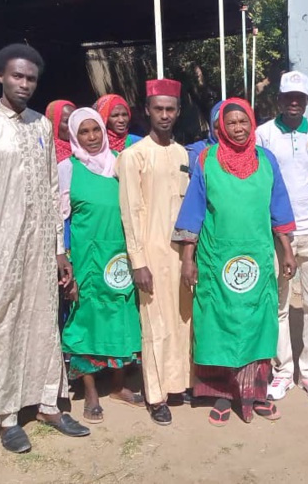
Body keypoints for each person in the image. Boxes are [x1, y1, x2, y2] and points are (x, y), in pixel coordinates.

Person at [0, 44, 89, 453]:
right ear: (0, 77)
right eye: (17, 76)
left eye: (31, 78)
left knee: (44, 322)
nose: (25, 84)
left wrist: (59, 250)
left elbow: (51, 190)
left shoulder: (42, 126)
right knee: (2, 325)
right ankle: (6, 415)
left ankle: (49, 403)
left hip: (39, 248)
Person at [175, 98, 297, 426]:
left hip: (256, 255)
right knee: (218, 322)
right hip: (217, 256)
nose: (239, 128)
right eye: (232, 123)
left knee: (259, 321)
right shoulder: (206, 159)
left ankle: (257, 393)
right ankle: (222, 394)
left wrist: (286, 249)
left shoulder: (266, 159)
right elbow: (194, 211)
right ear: (220, 127)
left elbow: (279, 208)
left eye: (244, 122)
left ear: (252, 123)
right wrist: (189, 258)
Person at [256, 71, 308, 401]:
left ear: (306, 101)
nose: (293, 102)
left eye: (299, 98)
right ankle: (283, 372)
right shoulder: (263, 134)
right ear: (279, 99)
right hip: (278, 233)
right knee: (279, 304)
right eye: (288, 96)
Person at [59, 108, 143, 424]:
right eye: (85, 132)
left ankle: (119, 386)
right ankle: (91, 393)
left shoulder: (119, 163)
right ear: (74, 136)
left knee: (122, 315)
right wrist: (63, 258)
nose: (92, 137)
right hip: (86, 258)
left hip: (120, 256)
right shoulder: (67, 168)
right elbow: (59, 218)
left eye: (97, 130)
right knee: (87, 318)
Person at [117, 78, 192, 426]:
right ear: (146, 110)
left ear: (178, 112)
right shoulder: (133, 156)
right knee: (155, 324)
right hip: (150, 253)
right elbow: (130, 211)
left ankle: (180, 385)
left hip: (181, 255)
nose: (164, 115)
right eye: (158, 109)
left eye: (170, 109)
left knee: (181, 320)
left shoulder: (183, 154)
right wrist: (138, 261)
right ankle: (157, 395)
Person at [185, 101, 222, 166]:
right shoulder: (197, 152)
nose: (222, 131)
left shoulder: (242, 152)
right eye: (218, 127)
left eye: (225, 127)